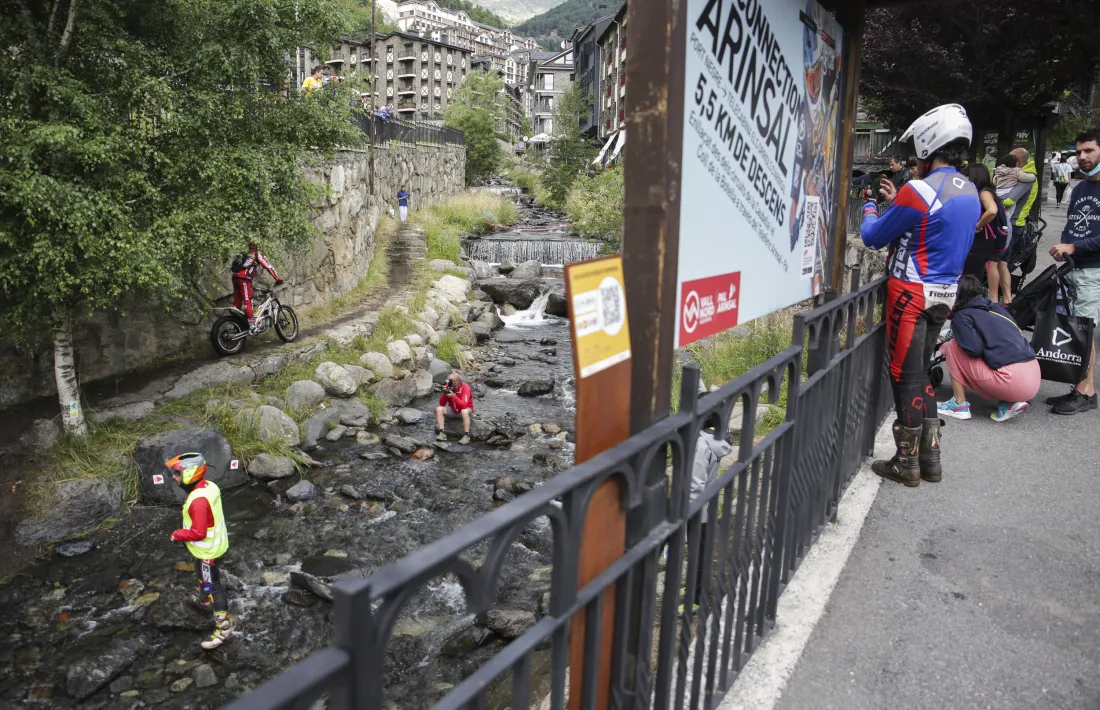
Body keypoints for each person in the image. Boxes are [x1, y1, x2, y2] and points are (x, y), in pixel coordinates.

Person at [860, 103, 981, 487]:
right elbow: (932, 227)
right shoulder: (971, 190)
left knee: (905, 376)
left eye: (917, 149)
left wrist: (869, 206)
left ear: (931, 144)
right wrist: (902, 198)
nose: (915, 157)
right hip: (944, 294)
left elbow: (873, 236)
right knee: (922, 373)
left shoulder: (919, 191)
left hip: (909, 292)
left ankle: (906, 463)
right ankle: (931, 459)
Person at [937, 276, 1041, 422]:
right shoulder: (996, 308)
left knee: (953, 346)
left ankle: (958, 404)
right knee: (995, 356)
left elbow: (974, 349)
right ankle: (1009, 402)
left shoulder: (962, 316)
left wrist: (955, 336)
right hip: (1033, 378)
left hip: (1011, 380)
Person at [1047, 129, 1100, 415]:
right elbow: (1072, 227)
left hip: (1095, 271)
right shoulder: (1080, 188)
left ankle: (1086, 391)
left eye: (1089, 151)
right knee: (1075, 328)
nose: (1082, 157)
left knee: (1084, 330)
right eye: (1079, 152)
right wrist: (1062, 246)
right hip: (1073, 268)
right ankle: (1082, 387)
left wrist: (1073, 246)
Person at [166, 453, 233, 650]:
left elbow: (198, 532)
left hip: (208, 552)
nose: (173, 477)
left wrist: (177, 535)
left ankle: (224, 629)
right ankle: (204, 600)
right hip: (216, 545)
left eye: (177, 473)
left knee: (213, 586)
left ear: (190, 474)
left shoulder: (198, 501)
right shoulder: (208, 486)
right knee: (203, 577)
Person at [680, 427, 734, 615]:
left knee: (697, 555)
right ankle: (692, 589)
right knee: (701, 551)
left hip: (697, 511)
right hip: (708, 507)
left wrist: (686, 513)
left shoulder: (700, 445)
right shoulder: (715, 440)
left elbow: (695, 486)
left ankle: (695, 600)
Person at [964, 164, 1006, 281]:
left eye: (967, 175)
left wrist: (977, 225)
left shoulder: (984, 193)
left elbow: (992, 210)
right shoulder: (987, 191)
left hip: (983, 240)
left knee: (972, 273)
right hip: (987, 240)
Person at [232, 241, 283, 333]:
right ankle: (252, 326)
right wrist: (277, 278)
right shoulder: (256, 254)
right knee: (247, 300)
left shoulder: (245, 255)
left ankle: (237, 326)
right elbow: (268, 266)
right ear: (257, 246)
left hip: (235, 277)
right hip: (244, 278)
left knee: (237, 303)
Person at [436, 373, 473, 444]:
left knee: (464, 411)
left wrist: (453, 396)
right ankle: (442, 433)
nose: (448, 382)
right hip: (453, 410)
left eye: (450, 381)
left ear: (456, 382)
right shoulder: (448, 386)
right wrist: (444, 394)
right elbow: (442, 404)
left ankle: (466, 436)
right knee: (439, 409)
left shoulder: (465, 387)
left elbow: (464, 405)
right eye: (448, 380)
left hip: (465, 410)